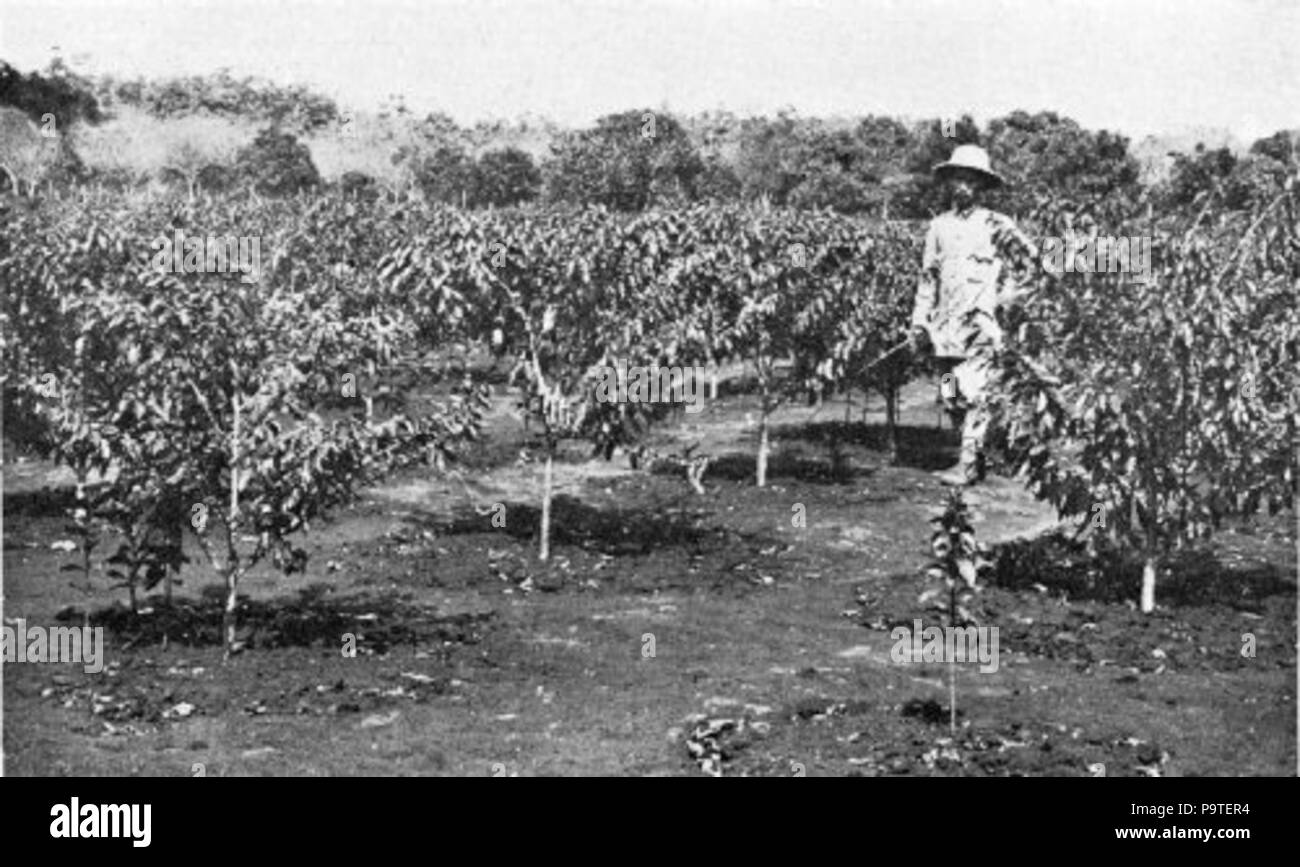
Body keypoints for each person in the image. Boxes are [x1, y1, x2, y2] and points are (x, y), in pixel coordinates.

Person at [909, 144, 1037, 486]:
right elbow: (928, 279)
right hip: (945, 331)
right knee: (950, 393)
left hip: (981, 329)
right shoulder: (938, 227)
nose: (961, 187)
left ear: (981, 185)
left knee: (975, 393)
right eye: (956, 180)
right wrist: (919, 323)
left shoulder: (997, 224)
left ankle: (967, 464)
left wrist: (1006, 299)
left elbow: (1028, 267)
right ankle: (974, 456)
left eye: (969, 181)